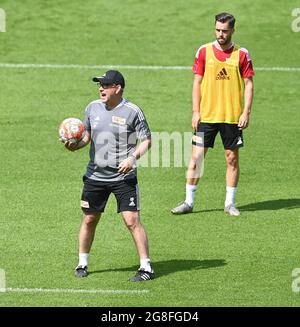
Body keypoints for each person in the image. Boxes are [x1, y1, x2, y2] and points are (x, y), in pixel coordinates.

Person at [63, 70, 154, 282]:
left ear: (118, 88)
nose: (101, 88)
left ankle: (146, 267)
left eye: (105, 85)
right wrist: (75, 145)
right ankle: (82, 263)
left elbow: (147, 140)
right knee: (89, 219)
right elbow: (87, 136)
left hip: (124, 177)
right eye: (99, 85)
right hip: (95, 176)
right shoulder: (92, 108)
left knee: (131, 220)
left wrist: (132, 158)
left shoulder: (132, 111)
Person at [171, 12, 254, 216]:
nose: (220, 34)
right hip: (206, 117)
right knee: (197, 158)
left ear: (232, 30)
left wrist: (246, 112)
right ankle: (188, 202)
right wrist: (195, 111)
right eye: (217, 30)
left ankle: (229, 203)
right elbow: (196, 83)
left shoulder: (241, 54)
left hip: (231, 117)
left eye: (224, 31)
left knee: (231, 159)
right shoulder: (204, 51)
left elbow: (249, 84)